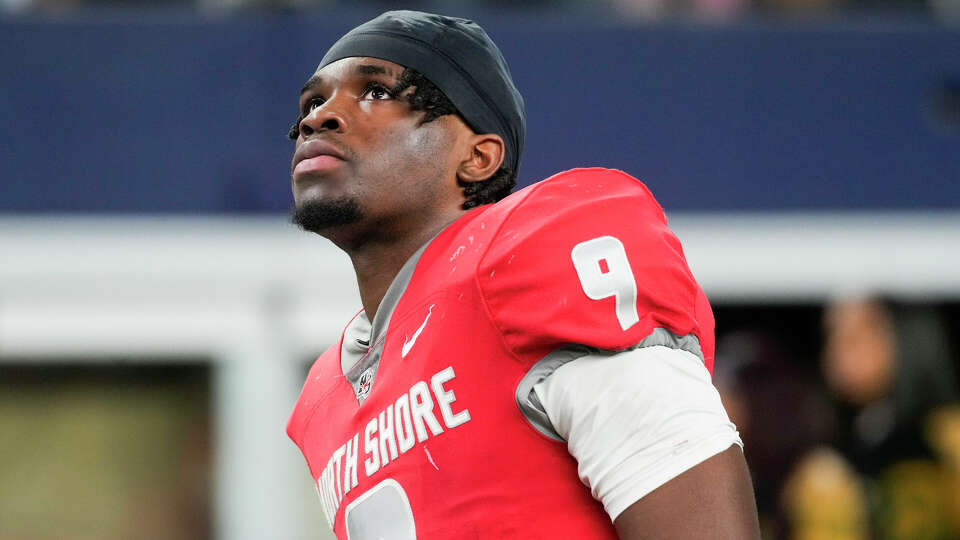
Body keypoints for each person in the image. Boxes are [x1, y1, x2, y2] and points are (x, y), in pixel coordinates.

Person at [285, 10, 760, 539]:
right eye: (312, 102)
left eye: (375, 91)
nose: (319, 118)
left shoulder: (535, 265)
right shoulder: (327, 395)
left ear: (479, 157)